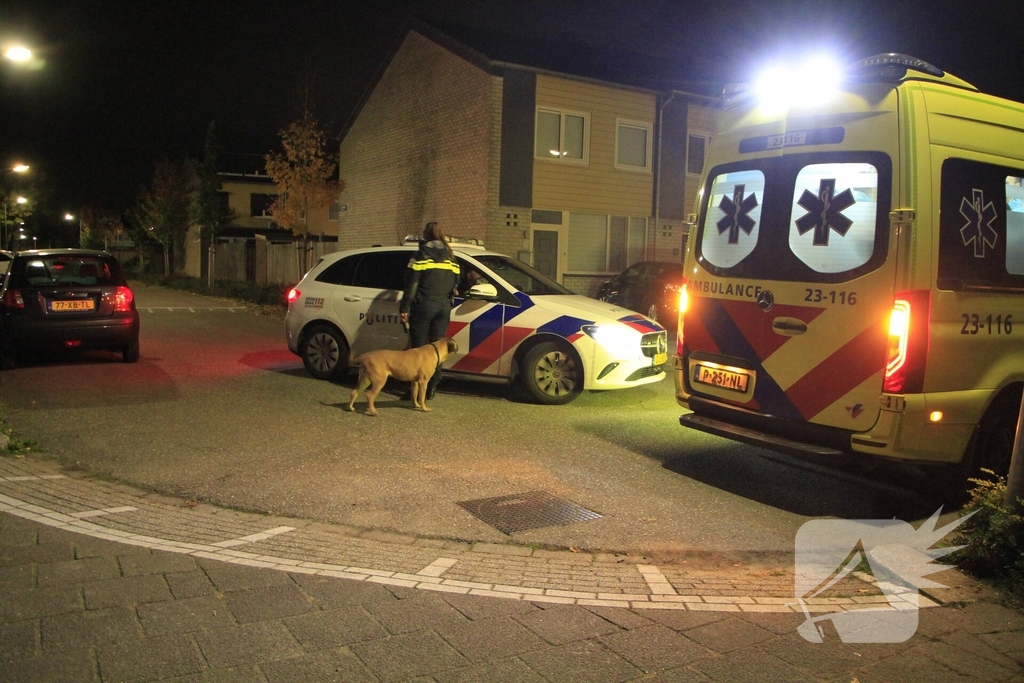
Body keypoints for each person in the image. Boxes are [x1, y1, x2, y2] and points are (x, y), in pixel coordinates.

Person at [399, 222, 460, 399]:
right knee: (437, 350)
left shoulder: (421, 255)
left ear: (425, 236)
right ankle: (432, 388)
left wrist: (405, 307)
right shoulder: (451, 256)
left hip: (424, 305)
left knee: (418, 350)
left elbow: (412, 284)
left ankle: (415, 391)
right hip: (443, 307)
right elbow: (456, 282)